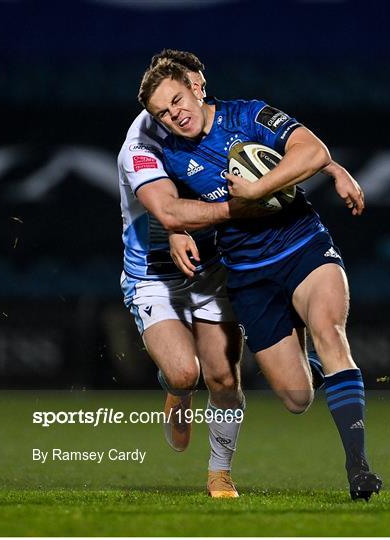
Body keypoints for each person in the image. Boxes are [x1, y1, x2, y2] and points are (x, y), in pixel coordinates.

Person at [136, 59, 383, 501]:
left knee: (330, 333)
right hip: (248, 276)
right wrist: (174, 231)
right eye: (164, 113)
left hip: (303, 245)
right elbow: (165, 207)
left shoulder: (248, 114)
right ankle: (306, 364)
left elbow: (310, 149)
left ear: (195, 90)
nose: (175, 114)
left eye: (177, 100)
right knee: (297, 399)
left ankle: (358, 467)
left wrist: (263, 185)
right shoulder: (167, 155)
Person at [118, 49, 246, 498]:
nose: (188, 101)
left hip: (211, 272)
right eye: (169, 101)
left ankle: (219, 472)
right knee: (183, 373)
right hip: (153, 276)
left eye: (195, 87)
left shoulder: (220, 126)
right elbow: (167, 207)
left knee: (225, 378)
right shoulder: (140, 145)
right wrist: (236, 206)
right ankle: (174, 390)